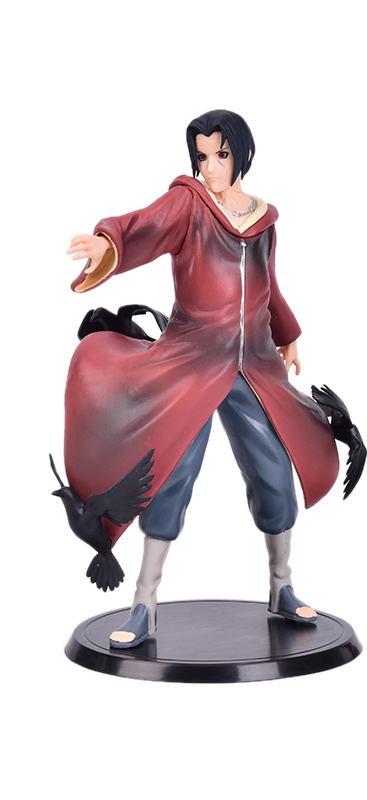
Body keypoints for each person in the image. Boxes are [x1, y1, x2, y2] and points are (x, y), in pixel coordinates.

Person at [65, 110, 343, 648]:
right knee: (169, 474)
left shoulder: (263, 220)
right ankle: (144, 603)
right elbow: (143, 225)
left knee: (274, 471)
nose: (210, 166)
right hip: (191, 363)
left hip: (253, 365)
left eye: (221, 154)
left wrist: (287, 332)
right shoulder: (188, 204)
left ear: (241, 154)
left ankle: (282, 586)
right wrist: (108, 242)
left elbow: (267, 283)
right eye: (201, 155)